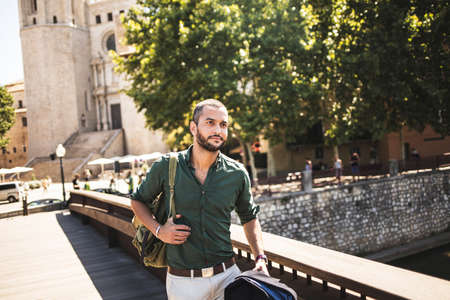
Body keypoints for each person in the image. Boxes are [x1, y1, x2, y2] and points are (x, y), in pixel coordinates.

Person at [131, 99, 268, 300]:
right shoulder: (167, 166)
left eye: (223, 125)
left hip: (228, 277)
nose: (218, 130)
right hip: (183, 283)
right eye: (210, 123)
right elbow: (137, 201)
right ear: (193, 128)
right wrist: (159, 231)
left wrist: (260, 257)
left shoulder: (237, 174)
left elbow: (249, 217)